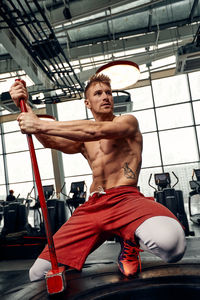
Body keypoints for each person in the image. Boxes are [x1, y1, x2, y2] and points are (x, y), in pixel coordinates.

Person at [9, 74, 186, 281]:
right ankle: (74, 259)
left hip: (126, 200)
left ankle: (130, 240)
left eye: (109, 93)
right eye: (98, 93)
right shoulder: (83, 141)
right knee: (38, 274)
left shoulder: (127, 123)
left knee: (173, 246)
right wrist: (23, 105)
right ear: (87, 103)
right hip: (94, 206)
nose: (106, 97)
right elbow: (49, 140)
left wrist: (38, 124)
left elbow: (95, 131)